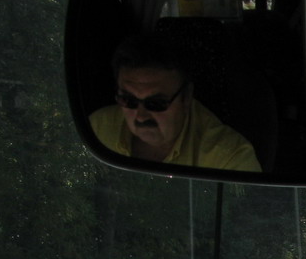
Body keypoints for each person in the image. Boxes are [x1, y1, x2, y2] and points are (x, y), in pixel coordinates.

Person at [89, 35, 261, 172]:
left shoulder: (229, 158)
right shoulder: (96, 130)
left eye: (156, 103)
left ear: (186, 97)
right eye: (129, 101)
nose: (141, 116)